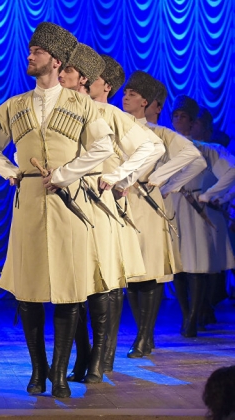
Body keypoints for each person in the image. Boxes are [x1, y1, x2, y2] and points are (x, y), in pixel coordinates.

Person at [0, 22, 115, 398]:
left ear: (55, 61)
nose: (29, 56)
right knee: (29, 289)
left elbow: (103, 147)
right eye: (30, 51)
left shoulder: (81, 105)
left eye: (36, 52)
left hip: (69, 205)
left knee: (69, 289)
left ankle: (61, 373)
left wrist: (67, 174)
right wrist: (9, 170)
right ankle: (38, 371)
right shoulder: (16, 105)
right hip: (31, 203)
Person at [58, 44, 155, 383]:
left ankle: (99, 358)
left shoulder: (110, 114)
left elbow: (151, 147)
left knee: (103, 282)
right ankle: (84, 355)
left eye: (71, 71)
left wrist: (120, 177)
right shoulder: (61, 109)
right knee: (73, 284)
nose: (63, 75)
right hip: (67, 201)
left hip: (99, 204)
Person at [122, 71, 206, 357]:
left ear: (147, 102)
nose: (125, 97)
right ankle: (142, 333)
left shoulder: (159, 133)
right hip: (123, 203)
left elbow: (194, 158)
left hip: (149, 205)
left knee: (151, 271)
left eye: (133, 94)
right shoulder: (119, 128)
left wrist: (164, 181)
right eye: (125, 93)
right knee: (131, 274)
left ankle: (145, 335)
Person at [169, 96, 235, 337]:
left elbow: (232, 171)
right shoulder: (165, 147)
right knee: (177, 265)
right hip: (173, 206)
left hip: (195, 208)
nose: (179, 120)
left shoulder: (207, 150)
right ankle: (186, 314)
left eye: (184, 116)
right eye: (175, 116)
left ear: (192, 121)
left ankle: (194, 318)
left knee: (197, 265)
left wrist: (210, 194)